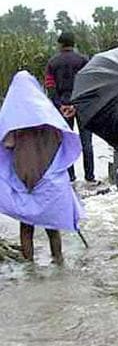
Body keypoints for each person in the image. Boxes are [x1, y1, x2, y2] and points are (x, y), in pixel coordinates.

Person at [0, 71, 85, 263]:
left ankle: (30, 266)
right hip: (49, 177)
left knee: (27, 226)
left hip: (25, 178)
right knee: (52, 225)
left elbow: (7, 144)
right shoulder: (48, 114)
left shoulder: (14, 120)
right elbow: (62, 137)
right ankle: (58, 261)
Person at [44, 32, 94, 183]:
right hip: (82, 106)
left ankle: (70, 177)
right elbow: (89, 84)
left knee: (66, 143)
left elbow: (50, 86)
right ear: (73, 44)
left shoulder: (52, 63)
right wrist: (76, 105)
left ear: (60, 44)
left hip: (61, 107)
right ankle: (90, 177)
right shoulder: (84, 60)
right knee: (87, 143)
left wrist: (60, 105)